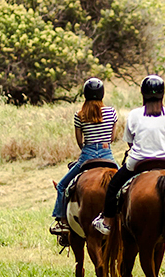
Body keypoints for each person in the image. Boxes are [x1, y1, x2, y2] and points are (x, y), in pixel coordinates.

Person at [91, 75, 165, 235]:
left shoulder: (134, 114)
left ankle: (107, 220)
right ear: (163, 94)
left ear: (143, 94)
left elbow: (129, 141)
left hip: (137, 162)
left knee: (114, 186)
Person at [50, 78, 119, 239]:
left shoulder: (79, 115)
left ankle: (61, 222)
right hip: (107, 154)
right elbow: (112, 138)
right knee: (125, 185)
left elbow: (80, 142)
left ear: (85, 95)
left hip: (87, 156)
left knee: (61, 186)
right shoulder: (111, 112)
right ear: (102, 94)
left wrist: (89, 148)